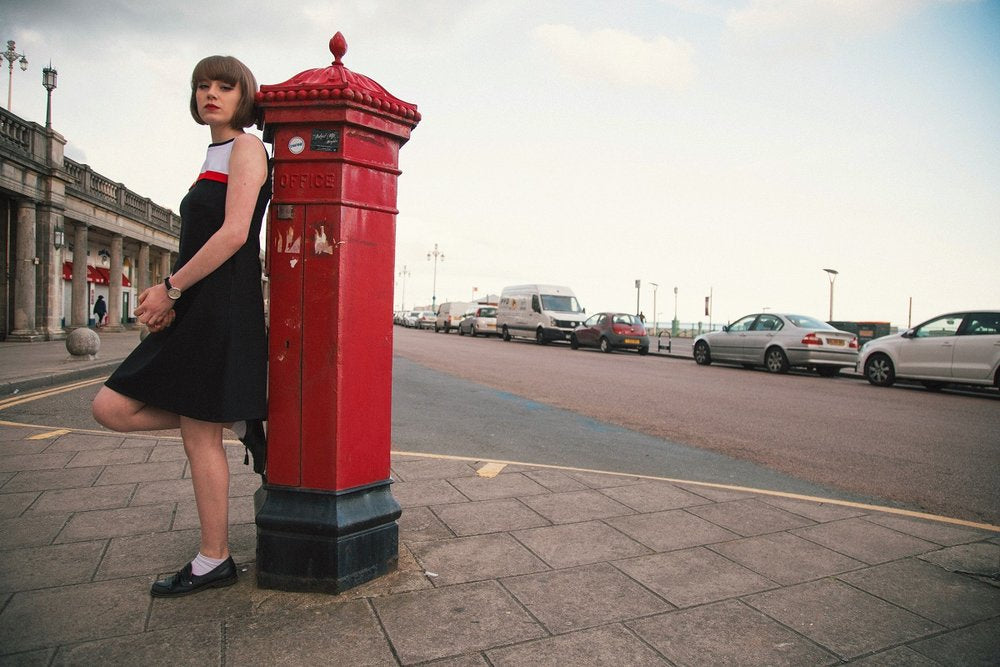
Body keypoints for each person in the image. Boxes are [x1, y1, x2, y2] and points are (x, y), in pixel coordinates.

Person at [92, 55, 271, 598]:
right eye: (201, 86)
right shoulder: (212, 153)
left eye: (224, 85)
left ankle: (213, 558)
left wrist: (170, 288)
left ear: (245, 96)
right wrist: (175, 298)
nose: (210, 94)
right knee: (113, 408)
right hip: (198, 302)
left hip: (221, 305)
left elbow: (235, 234)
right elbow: (199, 240)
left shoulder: (244, 148)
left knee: (195, 434)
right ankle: (231, 414)